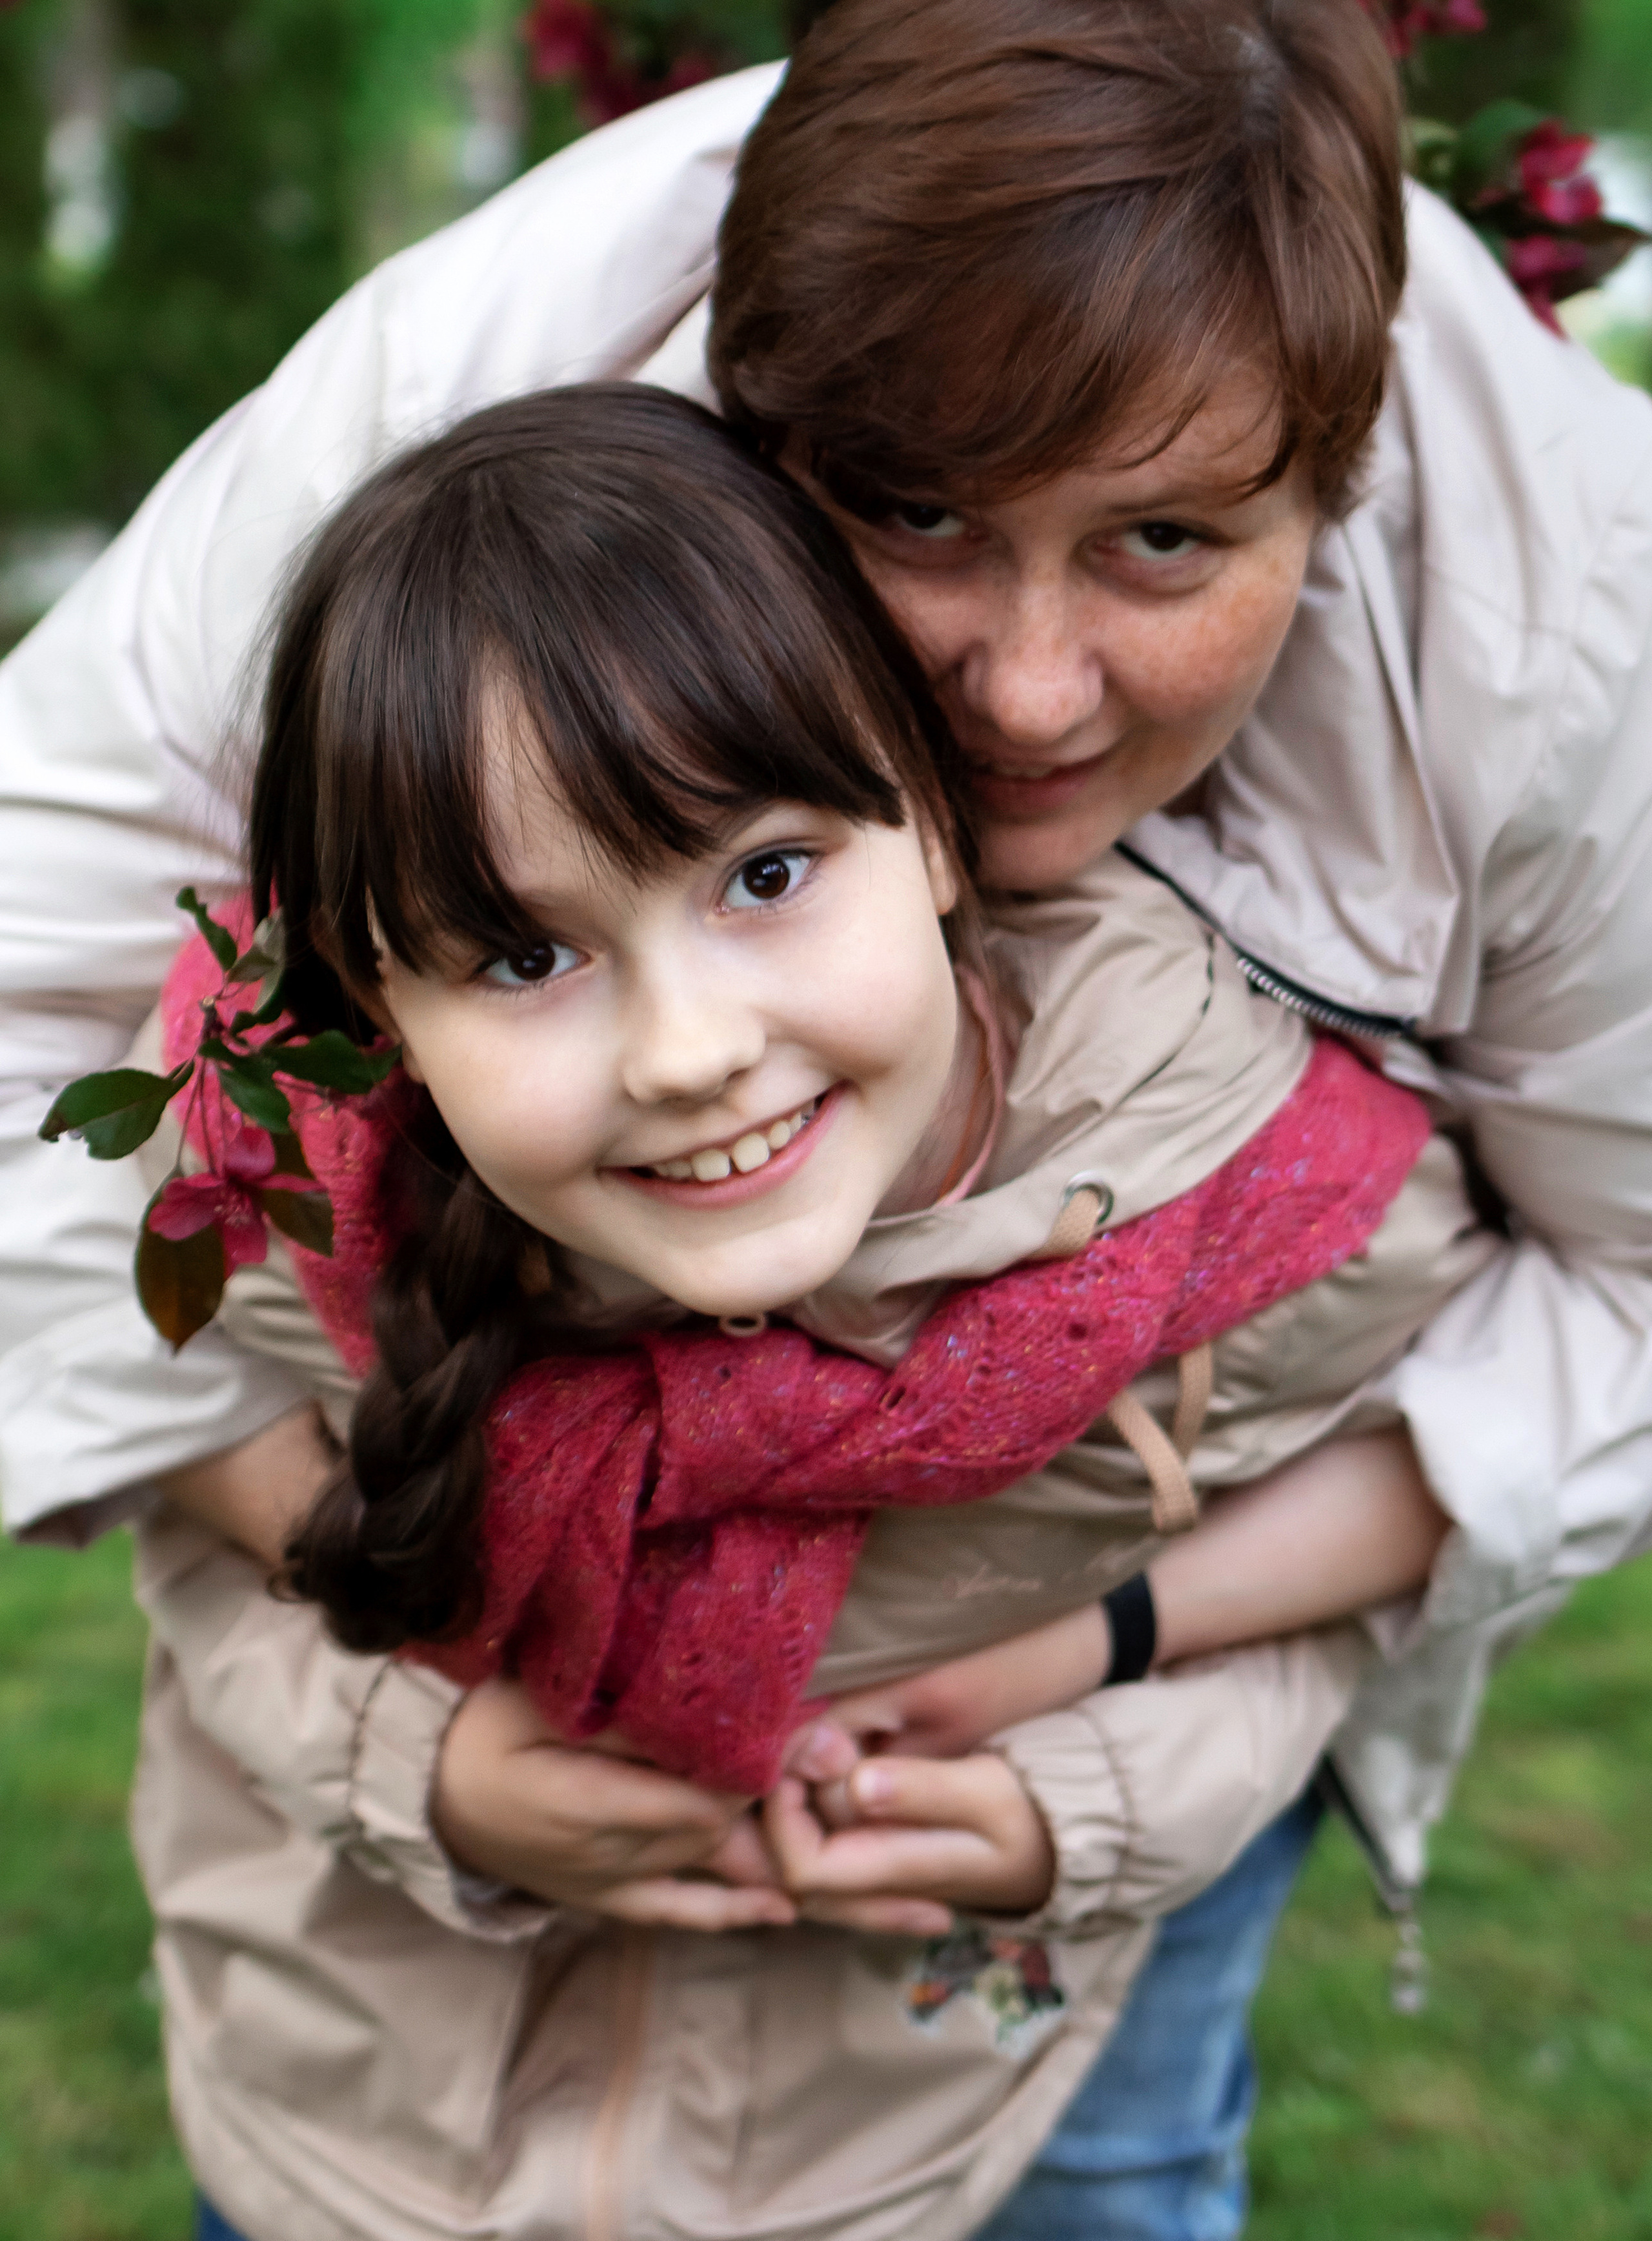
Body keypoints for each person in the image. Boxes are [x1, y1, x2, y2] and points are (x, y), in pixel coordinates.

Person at [2, 0, 1650, 2234]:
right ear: (748, 411)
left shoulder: (1566, 636)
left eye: (1167, 544)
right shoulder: (430, 446)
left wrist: (1104, 1682)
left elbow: (1613, 1305)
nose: (1030, 696)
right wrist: (420, 1642)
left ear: (1339, 488)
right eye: (911, 518)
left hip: (1022, 1943)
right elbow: (30, 1034)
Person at [121, 376, 1462, 2241]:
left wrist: (1085, 1798)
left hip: (910, 2127)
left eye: (765, 874)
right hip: (361, 2118)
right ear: (378, 997)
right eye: (524, 955)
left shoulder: (1221, 1195)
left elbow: (1369, 1560)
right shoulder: (279, 1205)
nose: (689, 1053)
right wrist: (419, 1767)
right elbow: (198, 1529)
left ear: (934, 822)